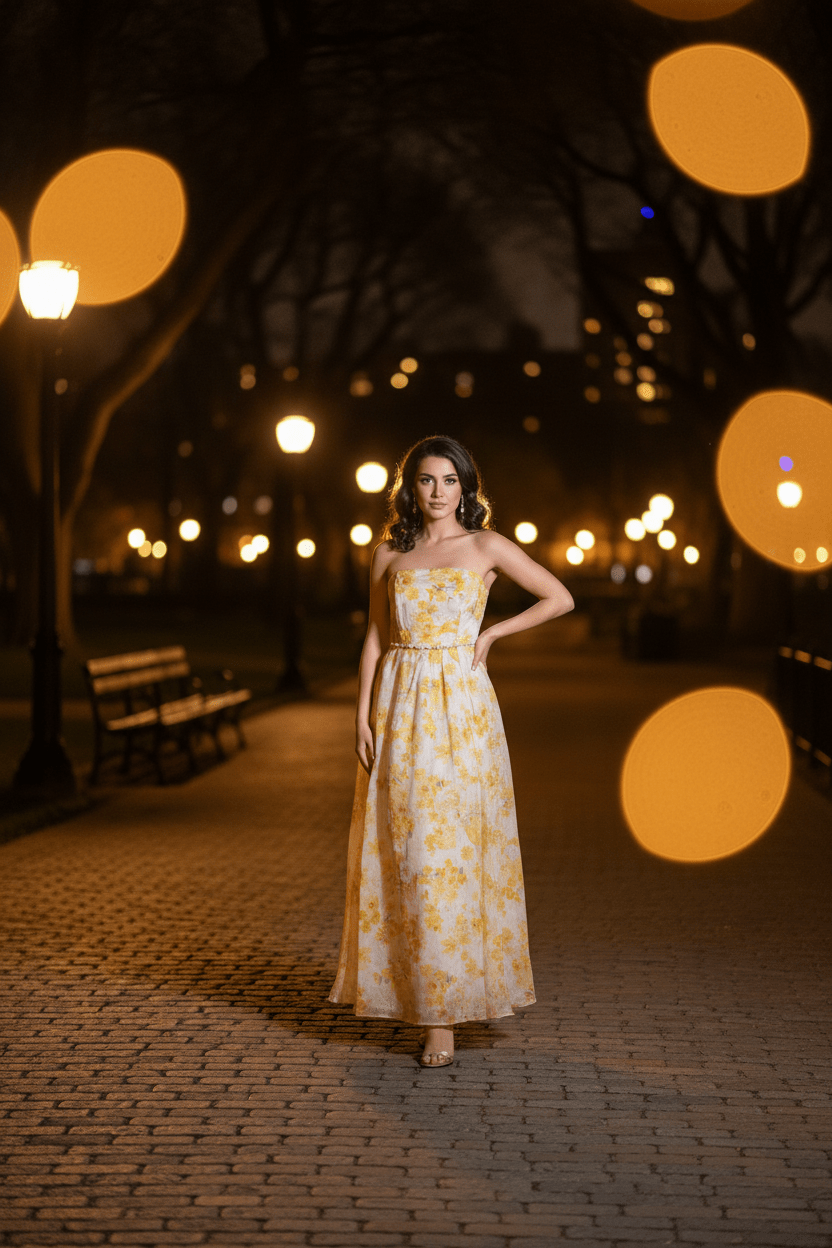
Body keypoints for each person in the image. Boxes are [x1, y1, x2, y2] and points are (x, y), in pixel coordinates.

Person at [329, 435, 574, 1067]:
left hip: (461, 716)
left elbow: (559, 597)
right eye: (425, 481)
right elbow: (375, 641)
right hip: (399, 710)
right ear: (410, 488)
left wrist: (493, 633)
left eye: (448, 481)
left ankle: (443, 1015)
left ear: (466, 487)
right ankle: (407, 990)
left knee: (449, 856)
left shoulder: (486, 546)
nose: (437, 492)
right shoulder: (388, 553)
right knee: (404, 853)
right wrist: (361, 716)